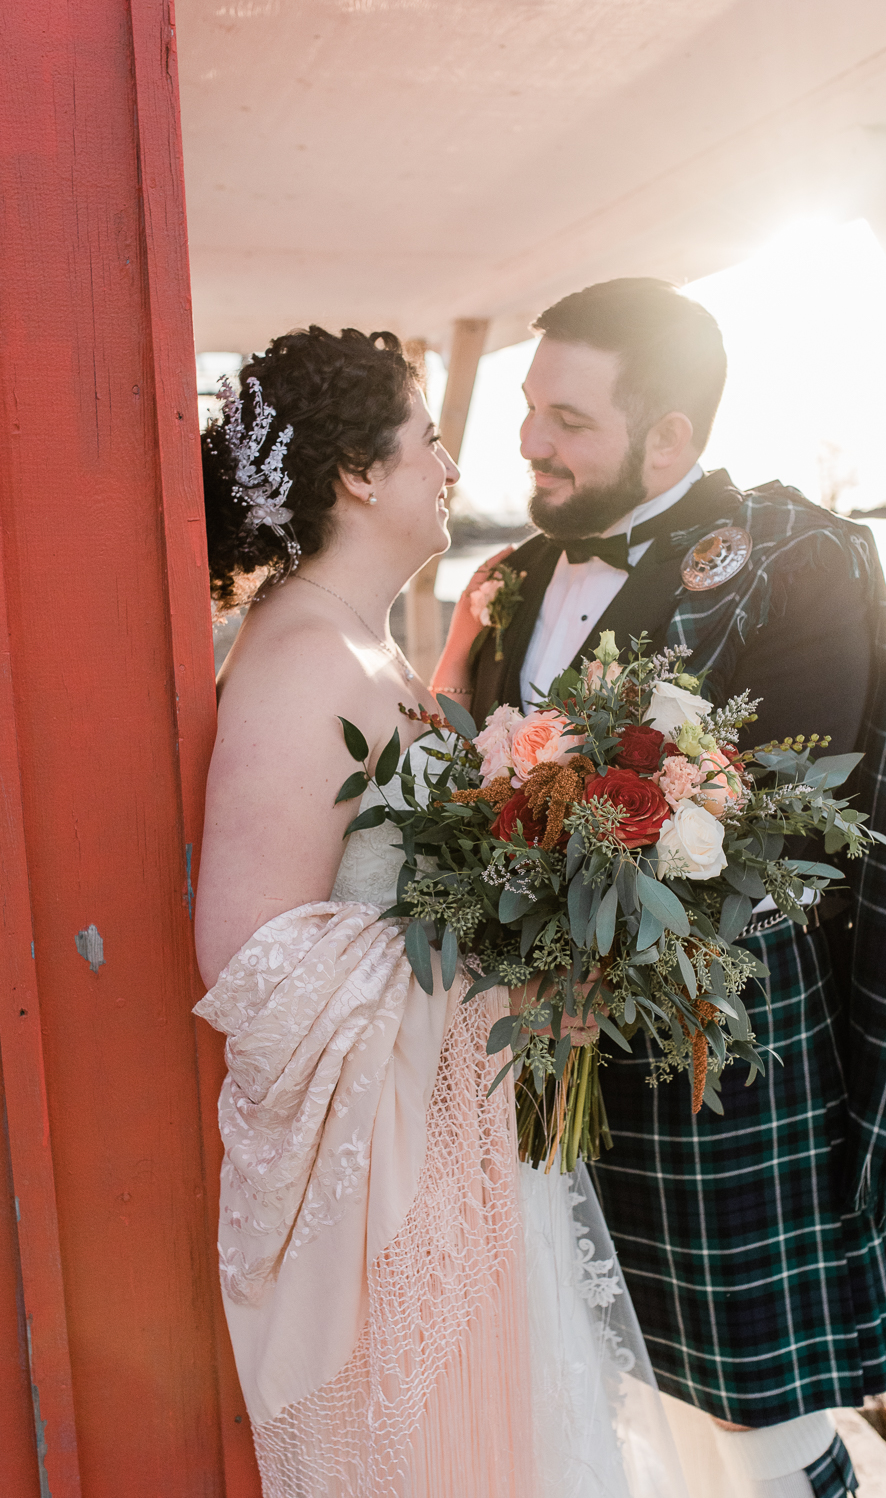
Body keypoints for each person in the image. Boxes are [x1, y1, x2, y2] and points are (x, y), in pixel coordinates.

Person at [435, 278, 886, 1498]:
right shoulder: (503, 583)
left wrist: (591, 974)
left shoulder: (794, 560)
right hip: (533, 1069)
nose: (532, 443)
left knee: (753, 1437)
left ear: (669, 438)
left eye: (569, 419)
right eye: (529, 408)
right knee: (590, 1402)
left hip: (711, 1066)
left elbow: (779, 830)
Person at [193, 324, 688, 1498]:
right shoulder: (301, 655)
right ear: (359, 473)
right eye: (430, 437)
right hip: (388, 1189)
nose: (451, 462)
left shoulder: (365, 644)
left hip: (447, 1155)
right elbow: (249, 955)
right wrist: (493, 982)